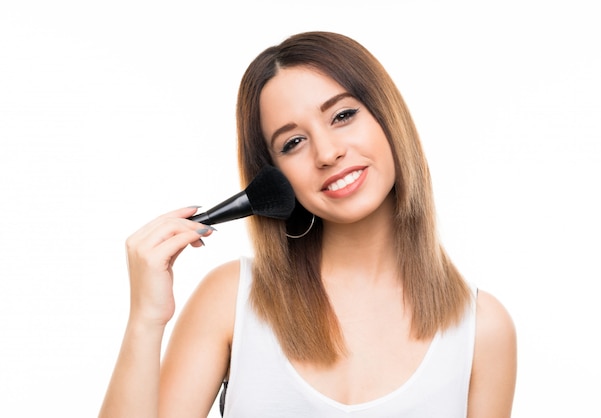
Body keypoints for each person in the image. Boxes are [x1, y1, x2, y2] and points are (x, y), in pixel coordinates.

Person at [99, 31, 516, 417]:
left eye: (343, 115)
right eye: (292, 142)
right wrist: (145, 320)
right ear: (274, 177)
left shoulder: (483, 329)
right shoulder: (231, 300)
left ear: (387, 118)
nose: (327, 153)